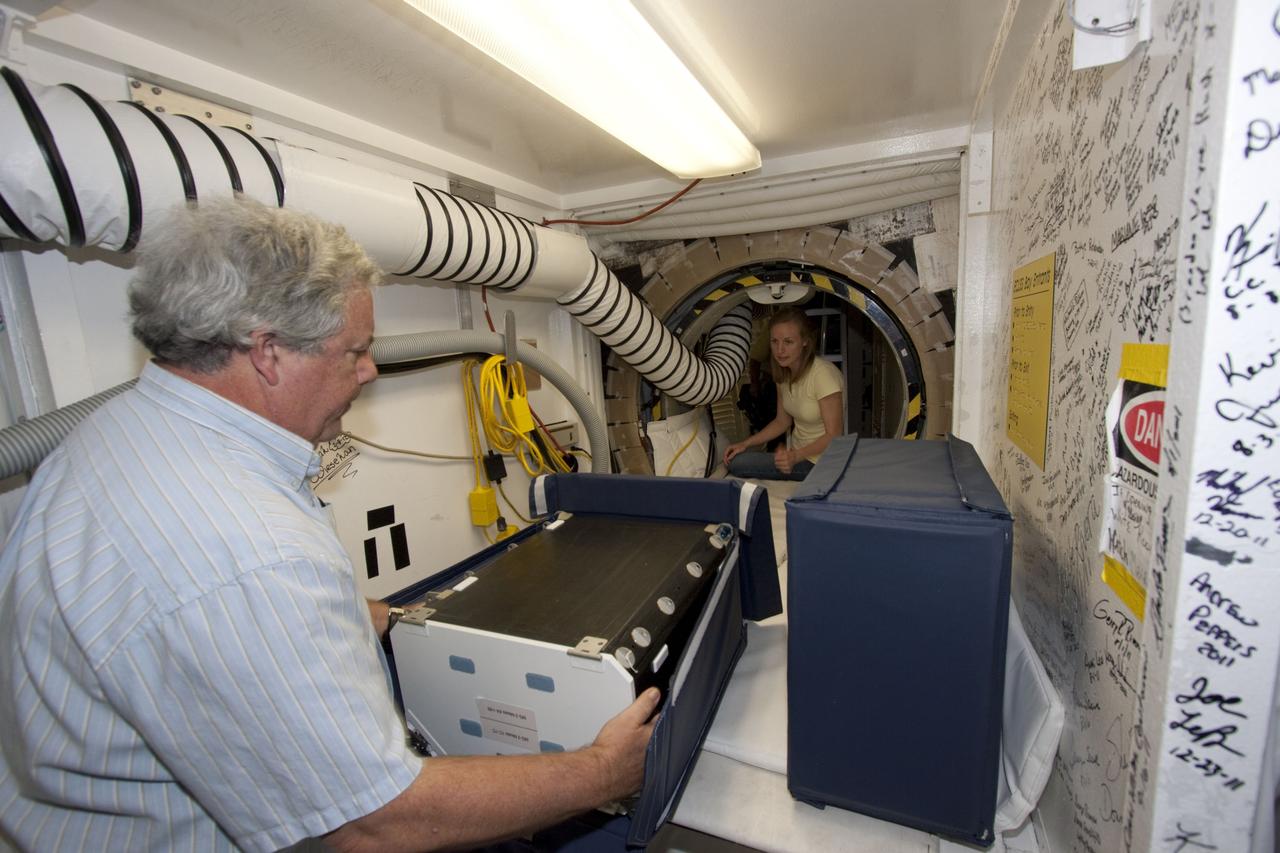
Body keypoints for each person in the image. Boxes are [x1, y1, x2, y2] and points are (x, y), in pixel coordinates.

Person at [0, 197, 659, 852]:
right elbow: (371, 823)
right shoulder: (249, 552)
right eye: (355, 352)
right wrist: (602, 770)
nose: (370, 371)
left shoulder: (114, 437)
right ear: (268, 353)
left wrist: (371, 616)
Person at [722, 306, 843, 480]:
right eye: (774, 341)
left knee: (737, 464)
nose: (780, 350)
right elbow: (782, 421)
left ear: (805, 341)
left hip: (821, 462)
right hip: (798, 455)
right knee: (737, 457)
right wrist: (745, 443)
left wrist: (795, 456)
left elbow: (834, 435)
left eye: (788, 342)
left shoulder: (823, 375)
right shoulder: (784, 374)